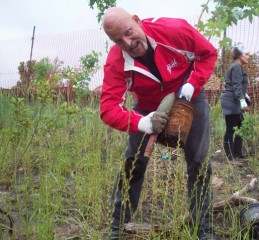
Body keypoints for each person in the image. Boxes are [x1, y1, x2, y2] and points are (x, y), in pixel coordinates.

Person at [100, 7, 218, 239]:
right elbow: (108, 109)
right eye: (118, 40)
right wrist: (142, 122)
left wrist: (194, 82)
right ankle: (116, 226)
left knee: (199, 161)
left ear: (137, 21)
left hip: (190, 97)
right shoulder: (116, 61)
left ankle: (203, 228)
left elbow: (208, 53)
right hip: (148, 108)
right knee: (133, 161)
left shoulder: (173, 30)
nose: (128, 42)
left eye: (129, 32)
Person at [220, 43, 250, 161]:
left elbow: (236, 86)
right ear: (240, 56)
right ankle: (230, 156)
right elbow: (237, 86)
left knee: (240, 126)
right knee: (231, 129)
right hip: (231, 101)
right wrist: (243, 102)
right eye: (246, 54)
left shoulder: (237, 67)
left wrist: (245, 98)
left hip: (233, 100)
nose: (248, 57)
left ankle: (237, 153)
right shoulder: (236, 67)